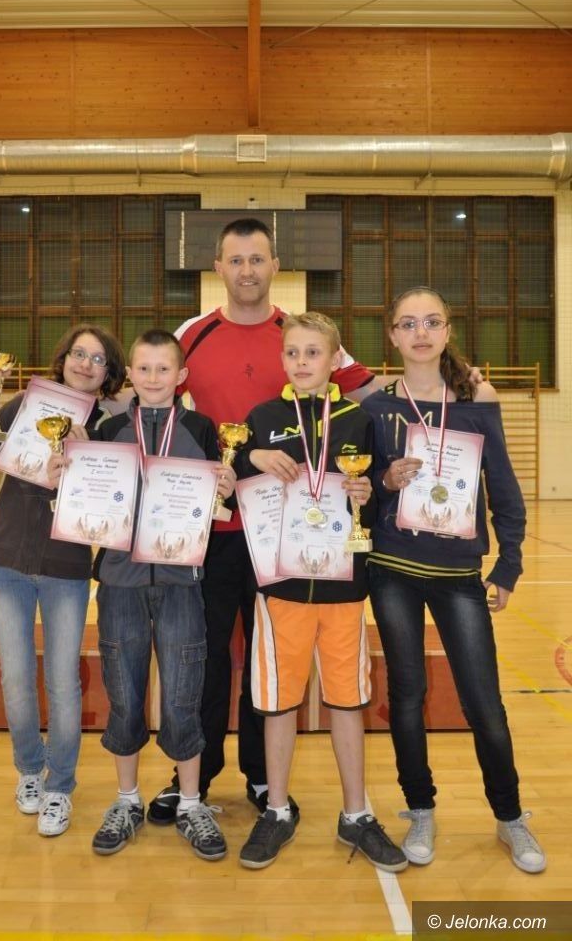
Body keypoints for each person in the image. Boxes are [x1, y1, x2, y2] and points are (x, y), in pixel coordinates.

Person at [147, 217, 381, 826]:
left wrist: (453, 394)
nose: (247, 270)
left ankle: (259, 776)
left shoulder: (301, 335)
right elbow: (146, 388)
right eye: (236, 260)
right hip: (212, 529)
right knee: (203, 657)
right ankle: (192, 776)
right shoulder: (193, 333)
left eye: (257, 259)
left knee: (265, 660)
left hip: (287, 536)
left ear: (276, 265)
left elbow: (371, 395)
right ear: (218, 268)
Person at [361, 287, 546, 874]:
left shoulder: (477, 400)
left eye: (432, 322)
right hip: (392, 570)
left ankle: (509, 816)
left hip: (459, 573)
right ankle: (420, 808)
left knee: (483, 701)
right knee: (407, 695)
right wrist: (385, 480)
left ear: (446, 330)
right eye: (408, 323)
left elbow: (504, 488)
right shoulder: (375, 405)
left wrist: (509, 564)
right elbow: (361, 494)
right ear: (392, 334)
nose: (420, 332)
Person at [232, 312, 407, 871]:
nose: (302, 362)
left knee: (347, 701)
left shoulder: (360, 419)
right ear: (282, 358)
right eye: (293, 352)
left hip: (343, 587)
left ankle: (356, 814)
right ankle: (277, 810)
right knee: (279, 703)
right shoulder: (262, 418)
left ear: (335, 360)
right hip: (281, 586)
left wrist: (368, 492)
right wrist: (250, 456)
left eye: (313, 352)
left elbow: (377, 495)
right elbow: (230, 485)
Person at [59, 330, 235, 861]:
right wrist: (71, 472)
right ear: (130, 375)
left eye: (164, 369)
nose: (153, 377)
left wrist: (224, 486)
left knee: (183, 697)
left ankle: (190, 803)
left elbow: (215, 503)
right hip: (120, 584)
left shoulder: (203, 429)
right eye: (144, 368)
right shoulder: (109, 430)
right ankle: (127, 800)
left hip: (182, 584)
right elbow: (90, 498)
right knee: (124, 695)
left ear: (181, 376)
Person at [0, 325, 125, 837]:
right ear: (63, 358)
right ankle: (29, 770)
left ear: (108, 374)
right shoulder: (23, 407)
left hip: (65, 568)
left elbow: (113, 501)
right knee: (15, 678)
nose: (85, 363)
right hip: (5, 560)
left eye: (98, 359)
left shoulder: (111, 427)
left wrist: (89, 455)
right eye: (79, 353)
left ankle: (60, 785)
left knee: (63, 682)